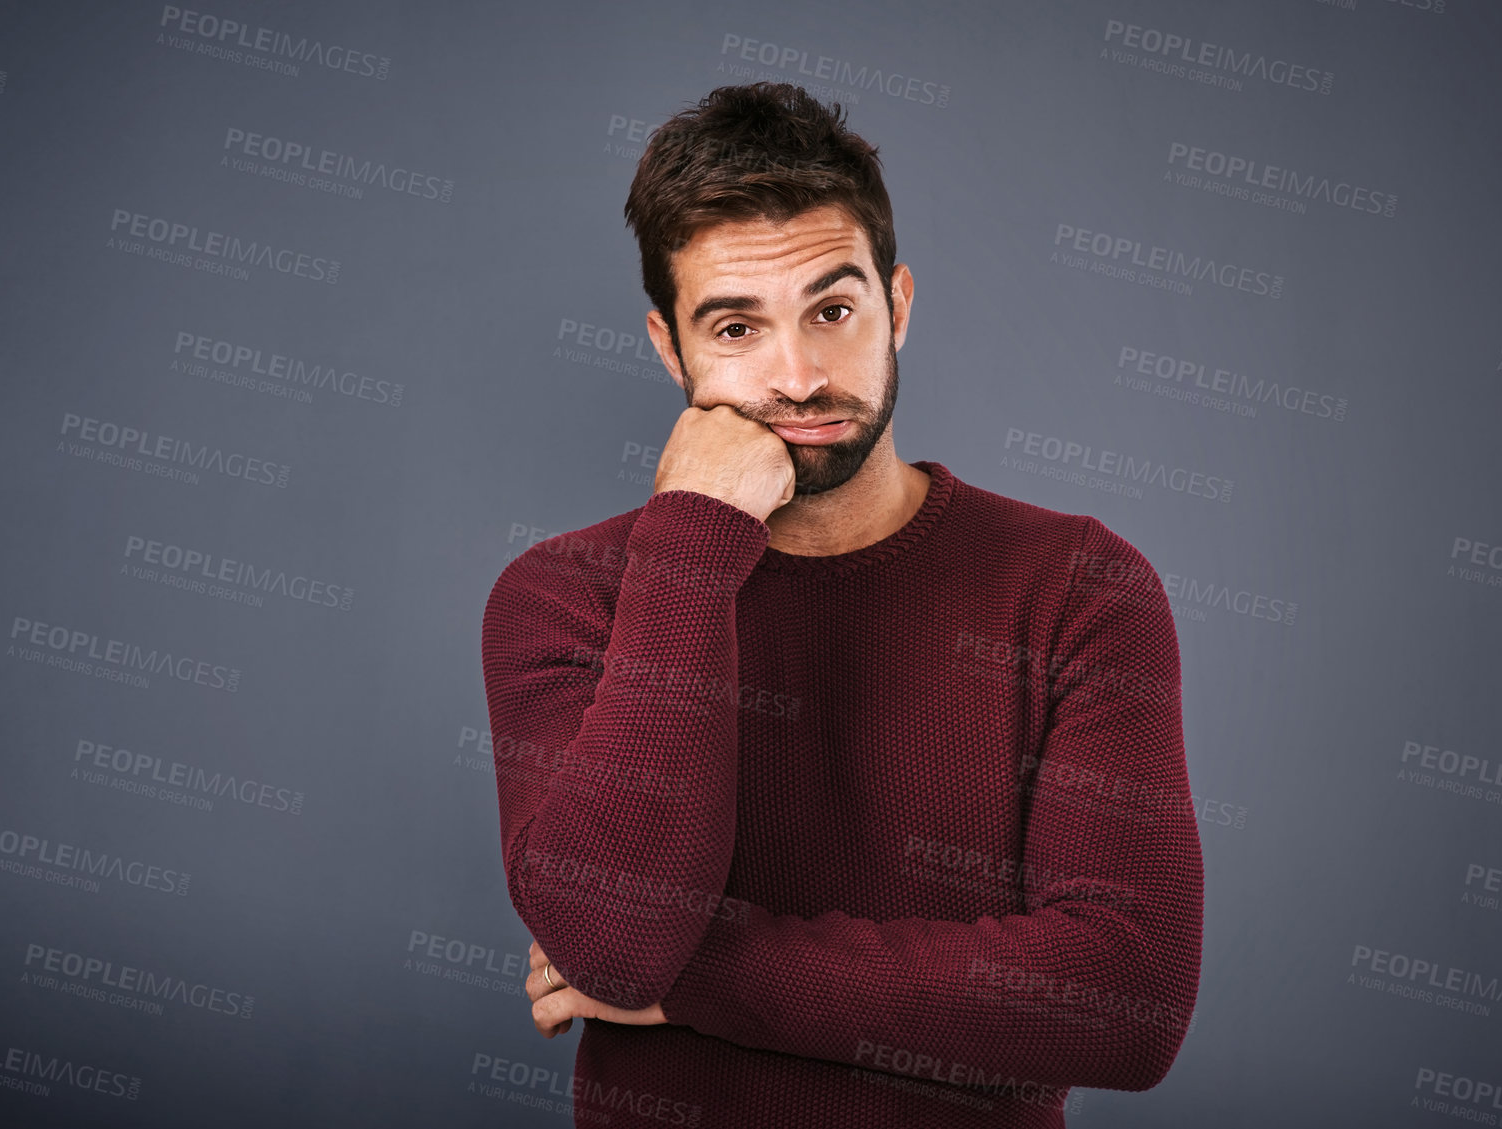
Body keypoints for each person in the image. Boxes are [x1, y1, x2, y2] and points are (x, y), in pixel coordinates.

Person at [480, 81, 1203, 1128]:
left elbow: (1123, 1000)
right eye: (735, 327)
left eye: (834, 309)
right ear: (667, 349)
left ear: (897, 305)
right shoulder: (559, 599)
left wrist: (697, 978)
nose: (801, 375)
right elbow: (617, 939)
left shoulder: (1078, 586)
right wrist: (690, 537)